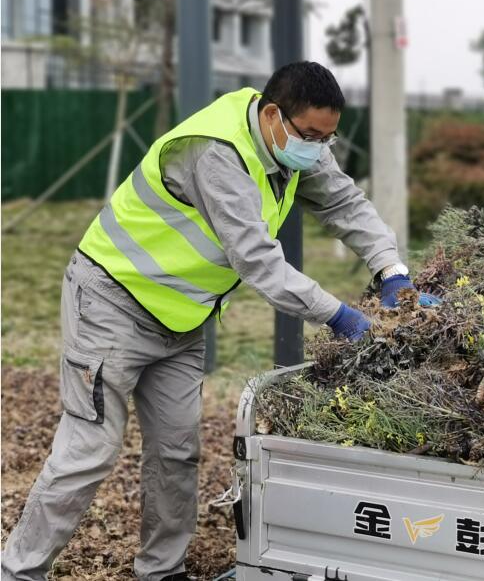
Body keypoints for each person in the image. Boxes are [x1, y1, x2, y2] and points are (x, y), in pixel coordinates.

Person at [1, 61, 438, 581]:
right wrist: (341, 317)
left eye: (329, 138)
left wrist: (392, 272)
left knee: (177, 452)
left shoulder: (293, 143)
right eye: (311, 136)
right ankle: (17, 572)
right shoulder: (216, 154)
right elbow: (258, 262)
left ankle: (162, 572)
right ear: (272, 115)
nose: (319, 149)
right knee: (88, 451)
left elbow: (344, 202)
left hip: (182, 320)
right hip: (111, 305)